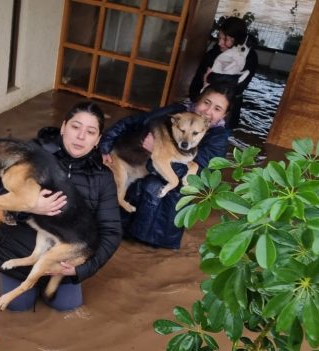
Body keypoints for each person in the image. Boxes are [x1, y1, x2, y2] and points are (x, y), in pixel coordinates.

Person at [0, 101, 122, 312]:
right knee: (17, 308)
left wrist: (80, 270)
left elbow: (111, 232)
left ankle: (51, 280)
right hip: (17, 249)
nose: (81, 136)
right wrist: (29, 205)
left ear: (98, 139)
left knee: (68, 307)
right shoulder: (31, 153)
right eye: (75, 127)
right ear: (63, 127)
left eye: (90, 132)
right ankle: (25, 275)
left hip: (62, 264)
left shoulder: (103, 177)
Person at [99, 83, 234, 249]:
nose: (208, 111)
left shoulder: (217, 140)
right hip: (135, 192)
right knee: (119, 242)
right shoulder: (176, 111)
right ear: (198, 99)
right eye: (206, 103)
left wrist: (155, 154)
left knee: (147, 254)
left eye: (217, 109)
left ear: (224, 115)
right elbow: (135, 121)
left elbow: (200, 180)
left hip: (161, 217)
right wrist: (105, 145)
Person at [189, 16, 257, 129]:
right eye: (219, 38)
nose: (220, 43)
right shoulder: (212, 54)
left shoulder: (249, 57)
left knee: (218, 140)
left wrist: (211, 78)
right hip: (201, 109)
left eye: (225, 39)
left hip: (228, 113)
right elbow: (196, 83)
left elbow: (239, 86)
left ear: (238, 40)